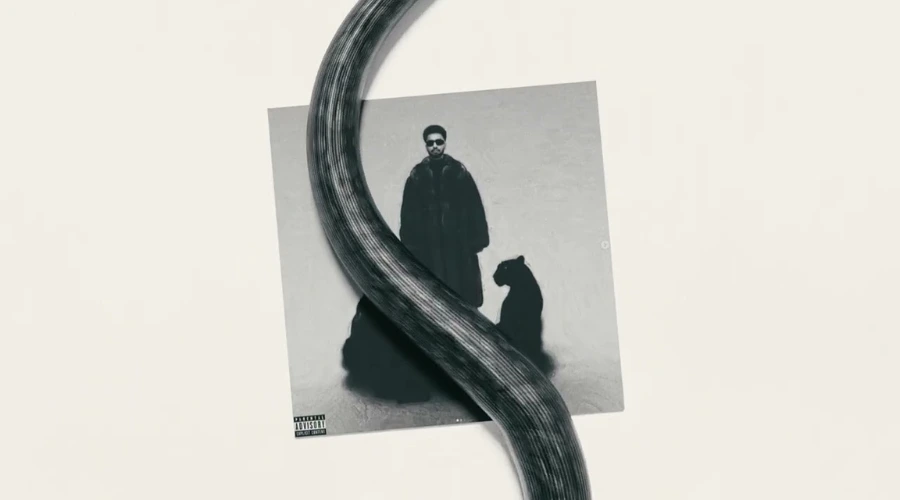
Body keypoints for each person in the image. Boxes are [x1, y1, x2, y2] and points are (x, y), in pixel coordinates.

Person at [399, 124, 490, 308]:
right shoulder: (416, 178)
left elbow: (475, 208)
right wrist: (411, 246)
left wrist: (474, 241)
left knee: (462, 301)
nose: (435, 146)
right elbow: (407, 216)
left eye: (439, 142)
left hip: (458, 249)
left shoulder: (460, 174)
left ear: (445, 143)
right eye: (430, 143)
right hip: (428, 251)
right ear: (426, 145)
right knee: (433, 303)